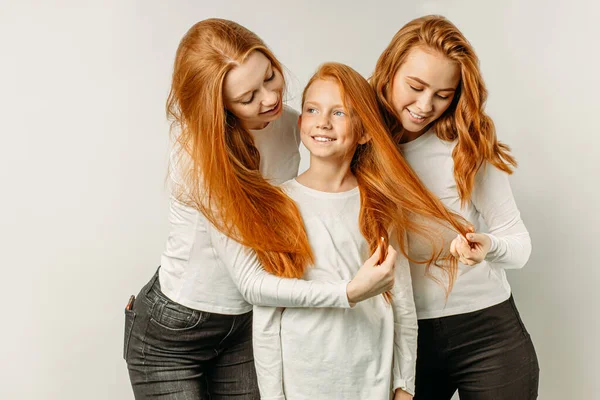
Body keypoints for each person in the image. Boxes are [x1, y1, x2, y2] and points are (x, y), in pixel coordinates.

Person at [123, 19, 397, 399]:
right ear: (218, 108)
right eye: (248, 98)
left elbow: (349, 149)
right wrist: (348, 292)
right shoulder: (198, 155)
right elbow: (251, 281)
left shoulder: (290, 125)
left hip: (249, 325)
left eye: (269, 76)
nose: (269, 98)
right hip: (177, 330)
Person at [252, 62, 471, 400]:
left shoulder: (379, 204)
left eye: (339, 112)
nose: (323, 121)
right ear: (300, 124)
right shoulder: (278, 203)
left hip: (371, 379)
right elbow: (267, 312)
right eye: (313, 109)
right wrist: (271, 396)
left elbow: (402, 303)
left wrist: (404, 386)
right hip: (301, 382)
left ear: (365, 131)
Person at [371, 15, 540, 400]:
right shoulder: (359, 140)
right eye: (415, 87)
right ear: (389, 70)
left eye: (443, 94)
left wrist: (488, 247)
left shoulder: (467, 144)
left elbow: (519, 244)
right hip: (403, 340)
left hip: (489, 336)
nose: (424, 105)